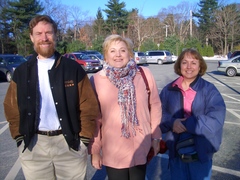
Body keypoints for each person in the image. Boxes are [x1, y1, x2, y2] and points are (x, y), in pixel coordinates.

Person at [3, 15, 100, 180]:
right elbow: (11, 107)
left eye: (48, 32)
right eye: (39, 33)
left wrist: (83, 140)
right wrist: (20, 138)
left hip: (69, 143)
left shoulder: (72, 69)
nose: (44, 37)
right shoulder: (21, 72)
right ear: (31, 37)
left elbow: (88, 106)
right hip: (34, 146)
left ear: (55, 35)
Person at [89, 34, 162, 180]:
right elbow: (95, 119)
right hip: (113, 148)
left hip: (140, 144)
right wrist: (95, 150)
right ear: (106, 56)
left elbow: (155, 105)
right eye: (112, 51)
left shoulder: (144, 74)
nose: (118, 55)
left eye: (122, 50)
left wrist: (156, 137)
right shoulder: (96, 80)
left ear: (129, 53)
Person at [160, 48, 226, 180]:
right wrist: (172, 122)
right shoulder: (169, 89)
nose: (189, 66)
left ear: (200, 65)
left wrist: (186, 123)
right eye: (184, 62)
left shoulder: (209, 90)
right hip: (176, 153)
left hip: (200, 154)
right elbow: (157, 114)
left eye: (194, 62)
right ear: (179, 65)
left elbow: (216, 119)